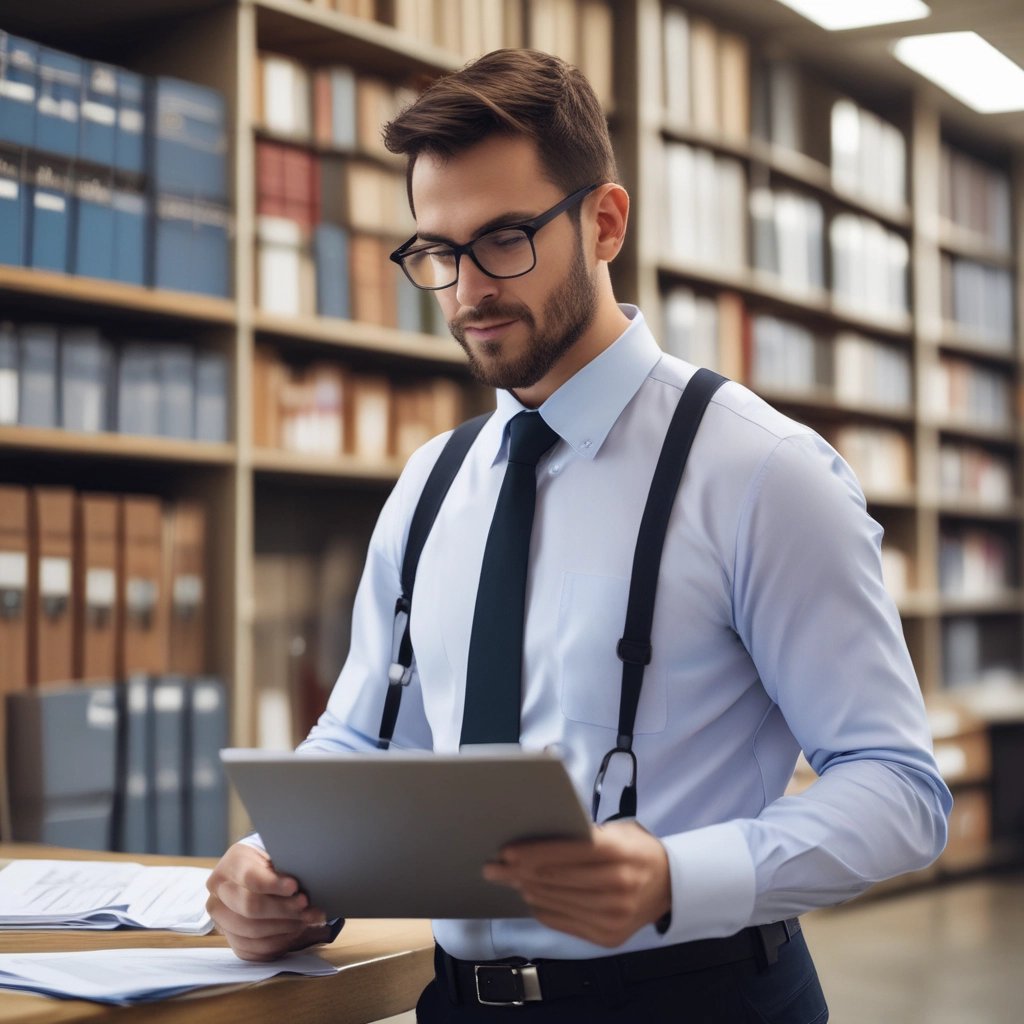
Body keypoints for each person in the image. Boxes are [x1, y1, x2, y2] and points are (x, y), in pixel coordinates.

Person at [207, 48, 951, 1022]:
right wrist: (273, 863)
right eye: (438, 251)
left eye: (504, 239)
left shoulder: (763, 472)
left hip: (696, 1000)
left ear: (604, 221)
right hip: (459, 1003)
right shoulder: (432, 483)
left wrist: (679, 876)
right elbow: (366, 734)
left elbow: (900, 789)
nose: (468, 291)